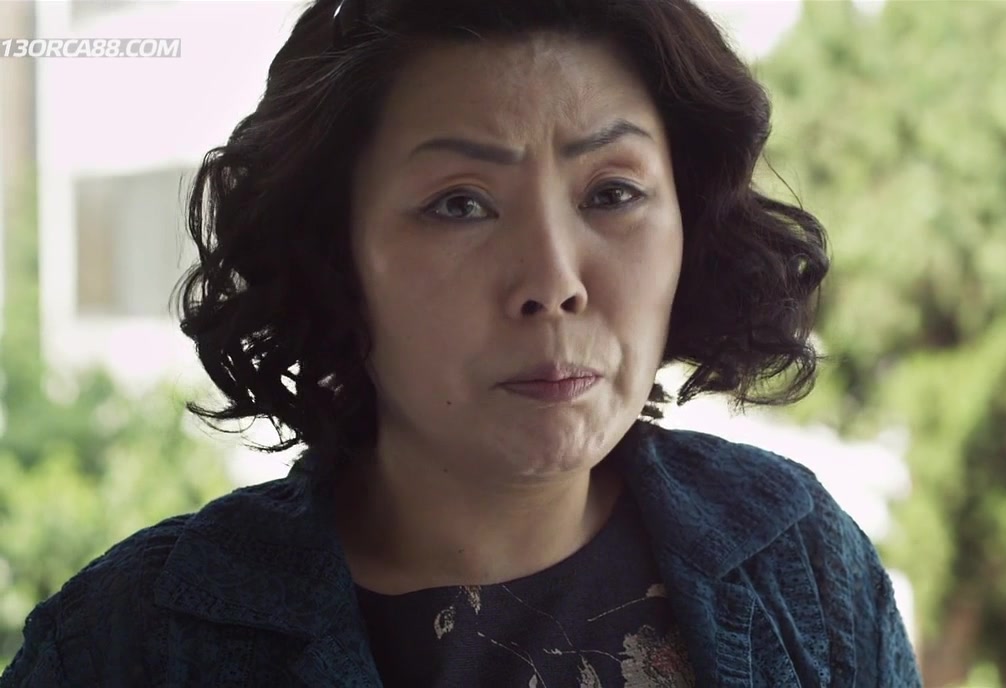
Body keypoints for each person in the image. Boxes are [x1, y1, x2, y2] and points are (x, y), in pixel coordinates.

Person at [0, 0, 922, 685]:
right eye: (460, 205)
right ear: (336, 253)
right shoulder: (123, 645)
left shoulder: (799, 562)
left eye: (613, 193)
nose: (553, 280)